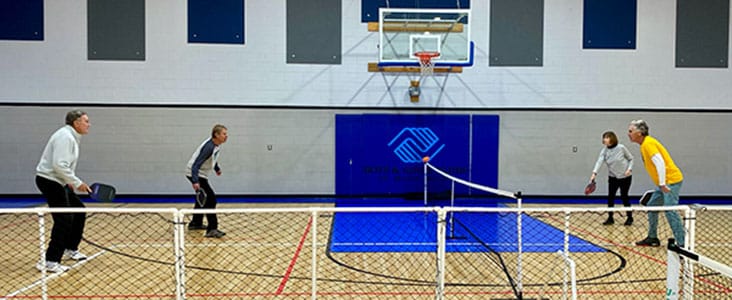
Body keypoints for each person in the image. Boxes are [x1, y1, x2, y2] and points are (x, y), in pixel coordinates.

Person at [35, 110, 93, 273]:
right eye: (86, 121)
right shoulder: (65, 137)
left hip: (58, 181)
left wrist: (69, 182)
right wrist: (76, 182)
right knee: (64, 219)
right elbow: (59, 165)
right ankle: (50, 261)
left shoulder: (71, 136)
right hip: (49, 181)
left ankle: (70, 248)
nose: (89, 124)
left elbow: (63, 166)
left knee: (79, 210)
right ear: (76, 123)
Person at [627, 120, 685, 247]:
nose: (628, 134)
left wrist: (663, 184)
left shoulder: (648, 144)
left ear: (640, 133)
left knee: (670, 211)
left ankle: (682, 243)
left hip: (671, 181)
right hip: (664, 183)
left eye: (631, 131)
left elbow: (660, 163)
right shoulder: (644, 144)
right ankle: (652, 237)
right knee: (652, 205)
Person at [186, 124, 228, 238]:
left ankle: (196, 223)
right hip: (196, 173)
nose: (226, 136)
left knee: (202, 198)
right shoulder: (209, 147)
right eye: (224, 134)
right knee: (211, 200)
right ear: (216, 134)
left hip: (200, 174)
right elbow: (196, 164)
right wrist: (195, 181)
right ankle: (212, 229)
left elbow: (211, 159)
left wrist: (217, 168)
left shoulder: (215, 145)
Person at [589, 131, 634, 226]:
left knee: (624, 196)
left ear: (612, 139)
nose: (604, 139)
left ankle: (630, 217)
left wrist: (629, 169)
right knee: (610, 197)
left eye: (607, 137)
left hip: (625, 177)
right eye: (604, 137)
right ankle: (610, 218)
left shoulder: (621, 148)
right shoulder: (604, 151)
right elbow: (599, 162)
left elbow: (631, 159)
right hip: (613, 177)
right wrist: (594, 173)